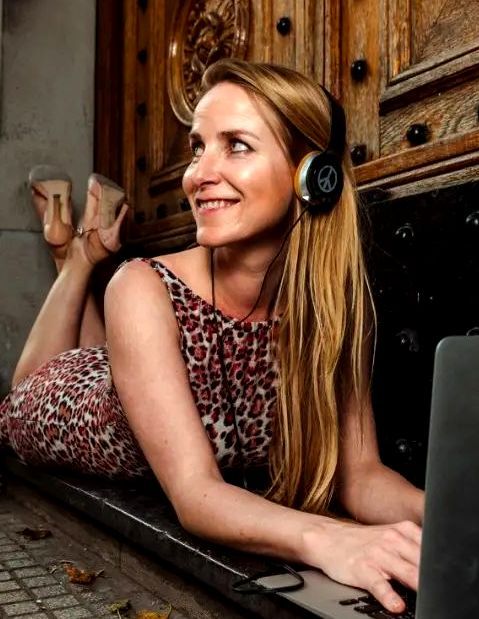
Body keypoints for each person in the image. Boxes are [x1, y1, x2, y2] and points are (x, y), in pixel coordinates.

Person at [0, 59, 424, 613]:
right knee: (23, 390)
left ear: (312, 175)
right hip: (68, 408)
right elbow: (197, 496)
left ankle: (80, 253)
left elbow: (361, 475)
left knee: (116, 353)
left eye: (236, 146)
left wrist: (446, 513)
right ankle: (78, 256)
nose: (197, 174)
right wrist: (329, 539)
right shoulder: (142, 284)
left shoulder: (331, 305)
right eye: (198, 147)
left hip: (136, 370)